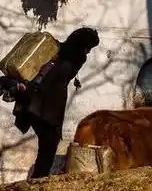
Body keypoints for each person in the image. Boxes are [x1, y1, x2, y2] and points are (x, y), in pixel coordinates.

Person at [13, 27, 99, 179]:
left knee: (45, 146)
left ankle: (37, 181)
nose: (89, 52)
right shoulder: (78, 57)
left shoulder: (53, 48)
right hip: (49, 108)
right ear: (84, 46)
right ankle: (37, 185)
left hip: (31, 102)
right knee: (48, 148)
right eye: (89, 48)